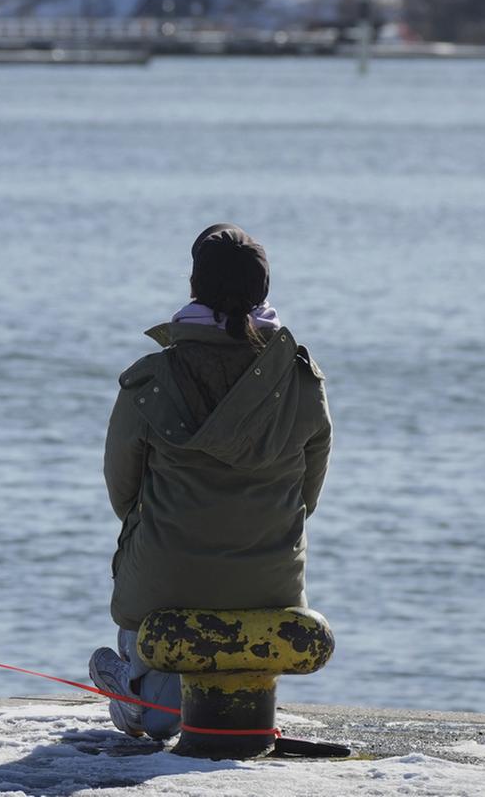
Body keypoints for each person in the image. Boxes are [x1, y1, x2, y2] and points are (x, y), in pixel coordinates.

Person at [87, 223, 333, 739]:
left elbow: (122, 492)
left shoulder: (151, 379)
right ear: (263, 290)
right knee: (229, 665)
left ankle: (137, 695)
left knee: (157, 709)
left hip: (161, 584)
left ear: (194, 286)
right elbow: (307, 495)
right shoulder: (302, 380)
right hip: (270, 585)